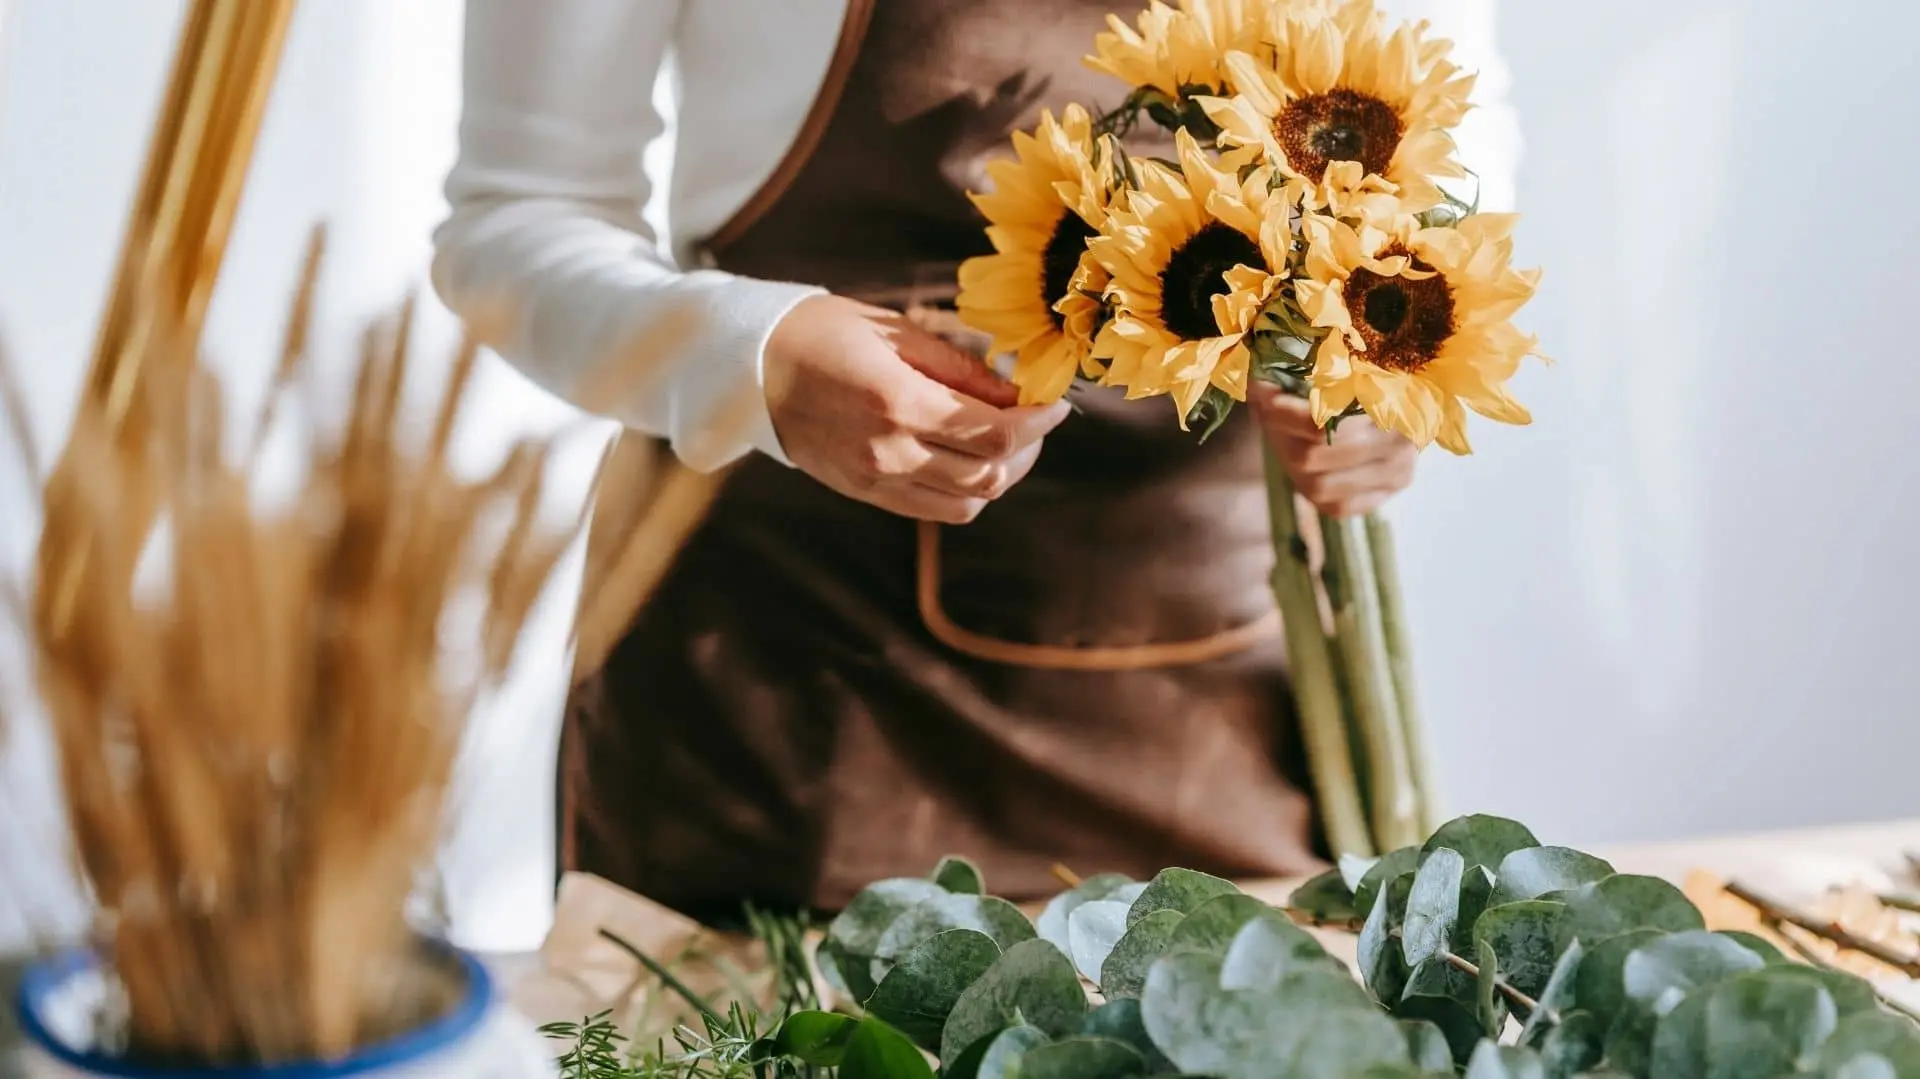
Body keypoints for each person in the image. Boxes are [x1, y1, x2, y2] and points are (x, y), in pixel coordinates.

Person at [432, 0, 1503, 923]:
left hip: (1224, 687)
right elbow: (515, 214)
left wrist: (1387, 357)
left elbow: (1459, 110)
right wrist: (750, 359)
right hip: (789, 679)